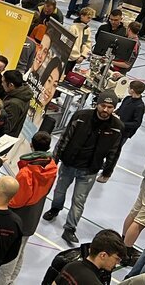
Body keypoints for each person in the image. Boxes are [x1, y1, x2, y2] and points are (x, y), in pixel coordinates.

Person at [44, 92, 123, 245]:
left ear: (114, 108)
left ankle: (70, 229)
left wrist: (107, 172)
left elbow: (115, 152)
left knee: (79, 200)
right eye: (103, 106)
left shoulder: (117, 128)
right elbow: (65, 137)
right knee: (59, 191)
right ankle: (55, 208)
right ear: (97, 104)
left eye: (110, 107)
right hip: (68, 164)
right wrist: (55, 158)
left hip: (89, 171)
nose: (106, 110)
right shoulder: (81, 116)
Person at [0, 131, 57, 285]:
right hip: (34, 213)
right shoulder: (52, 167)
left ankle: (2, 282)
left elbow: (17, 200)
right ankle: (11, 280)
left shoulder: (26, 172)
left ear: (31, 145)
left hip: (20, 215)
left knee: (10, 254)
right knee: (20, 250)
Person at [54, 230, 126, 285]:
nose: (117, 263)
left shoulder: (71, 266)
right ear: (103, 255)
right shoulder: (94, 283)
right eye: (116, 259)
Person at [0, 70, 33, 137]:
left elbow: (6, 127)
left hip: (2, 139)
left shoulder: (14, 104)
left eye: (3, 82)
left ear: (11, 85)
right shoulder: (22, 94)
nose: (2, 84)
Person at [65, 7, 94, 74]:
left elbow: (88, 43)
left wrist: (83, 55)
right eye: (88, 17)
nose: (89, 20)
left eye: (91, 18)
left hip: (78, 57)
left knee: (69, 74)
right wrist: (75, 56)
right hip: (70, 56)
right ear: (82, 16)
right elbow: (69, 42)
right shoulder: (73, 28)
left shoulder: (87, 29)